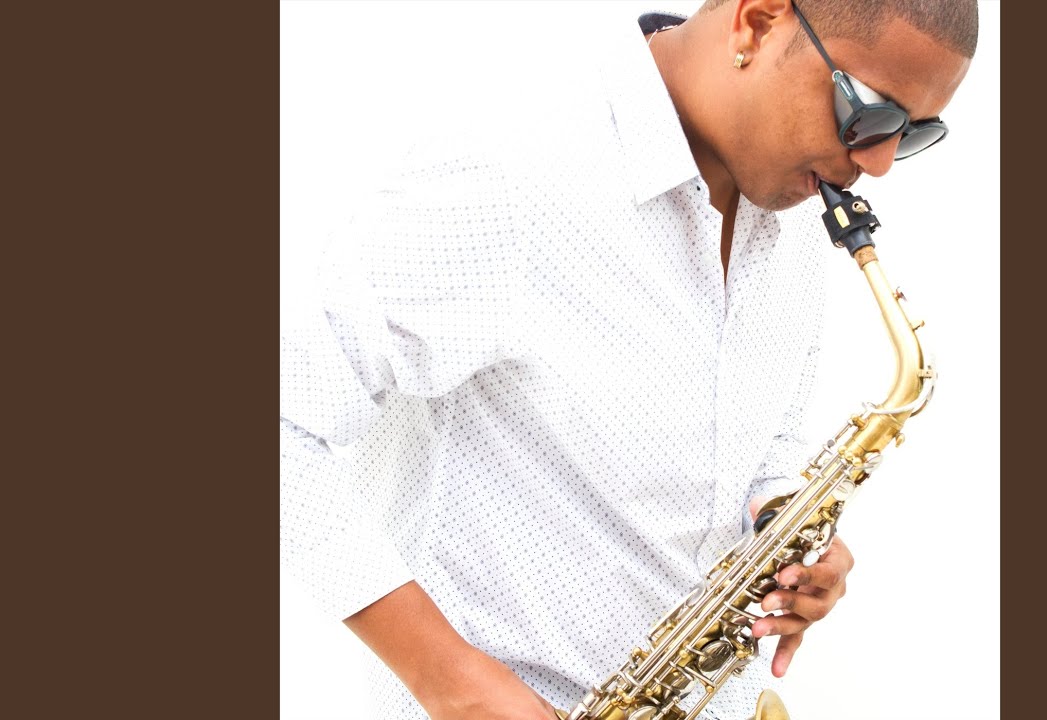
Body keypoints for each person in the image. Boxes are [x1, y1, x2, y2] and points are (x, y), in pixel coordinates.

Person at [280, 1, 978, 718]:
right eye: (868, 115)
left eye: (913, 133)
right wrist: (447, 679)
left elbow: (764, 444)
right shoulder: (510, 168)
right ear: (757, 24)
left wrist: (786, 535)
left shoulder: (794, 212)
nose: (878, 164)